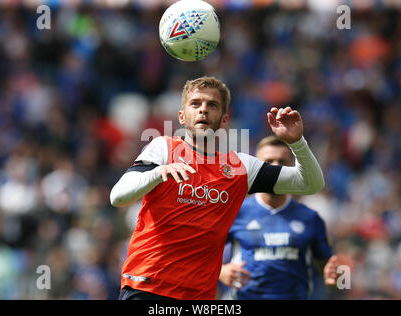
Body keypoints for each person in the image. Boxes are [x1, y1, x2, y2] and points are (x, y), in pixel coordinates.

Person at [110, 76, 325, 300]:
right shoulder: (163, 148)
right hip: (147, 286)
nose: (203, 110)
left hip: (200, 296)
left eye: (212, 105)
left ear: (224, 120)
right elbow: (118, 197)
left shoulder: (241, 167)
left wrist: (297, 142)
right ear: (182, 117)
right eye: (196, 104)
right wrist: (157, 173)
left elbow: (310, 183)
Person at [218, 136, 338, 300]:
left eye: (282, 162)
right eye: (268, 162)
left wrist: (336, 279)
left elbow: (331, 270)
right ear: (256, 169)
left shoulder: (310, 218)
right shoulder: (235, 212)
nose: (276, 168)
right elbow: (199, 254)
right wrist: (220, 272)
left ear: (292, 168)